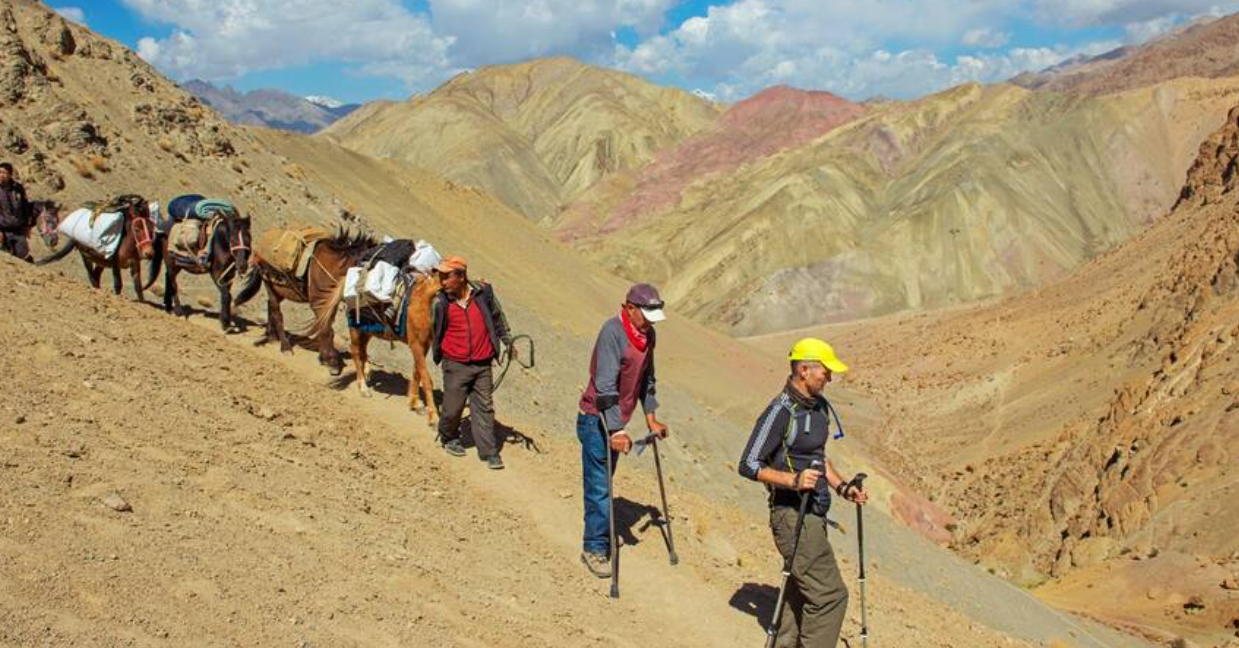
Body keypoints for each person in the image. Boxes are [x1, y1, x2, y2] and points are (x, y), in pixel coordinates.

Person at [738, 337, 868, 648]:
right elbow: (748, 464)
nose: (830, 378)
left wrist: (843, 487)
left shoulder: (819, 407)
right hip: (790, 515)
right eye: (825, 371)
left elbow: (818, 458)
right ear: (804, 370)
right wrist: (793, 480)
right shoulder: (780, 411)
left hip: (814, 513)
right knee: (830, 596)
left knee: (800, 592)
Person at [576, 283, 670, 578]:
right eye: (646, 316)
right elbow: (604, 386)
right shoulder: (612, 332)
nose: (650, 323)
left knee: (603, 483)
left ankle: (597, 533)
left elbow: (647, 380)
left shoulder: (648, 335)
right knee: (600, 487)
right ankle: (594, 547)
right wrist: (616, 430)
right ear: (630, 308)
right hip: (596, 420)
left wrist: (651, 417)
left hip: (617, 422)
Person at [430, 256, 511, 469]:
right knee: (452, 408)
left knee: (484, 407)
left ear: (461, 276)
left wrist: (507, 341)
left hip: (483, 363)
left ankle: (489, 451)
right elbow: (435, 329)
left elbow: (497, 318)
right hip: (455, 364)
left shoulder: (483, 293)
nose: (442, 281)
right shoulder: (440, 302)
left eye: (447, 277)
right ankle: (449, 437)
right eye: (441, 277)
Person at [0, 162, 33, 262]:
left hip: (18, 230)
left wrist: (27, 225)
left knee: (24, 257)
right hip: (2, 230)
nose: (1, 175)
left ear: (10, 174)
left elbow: (25, 207)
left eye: (4, 173)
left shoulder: (18, 188)